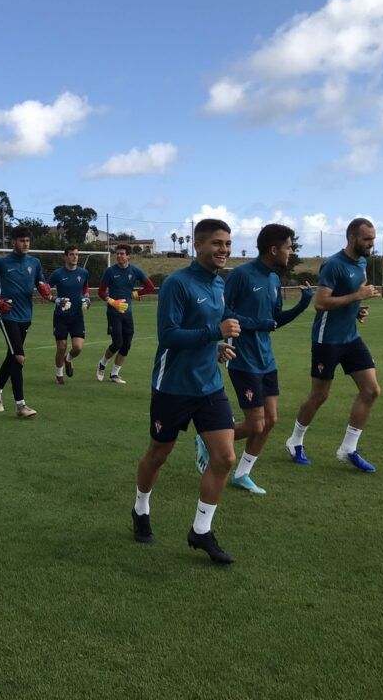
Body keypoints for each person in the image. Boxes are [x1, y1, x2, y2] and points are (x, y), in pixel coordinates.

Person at [132, 218, 242, 564]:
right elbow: (169, 335)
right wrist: (214, 333)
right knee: (158, 454)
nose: (223, 249)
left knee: (225, 457)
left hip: (208, 384)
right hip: (173, 387)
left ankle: (201, 531)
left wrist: (216, 347)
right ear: (198, 246)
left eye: (227, 243)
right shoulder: (177, 284)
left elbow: (208, 332)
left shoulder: (219, 285)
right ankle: (141, 507)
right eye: (216, 243)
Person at [195, 224, 312, 494]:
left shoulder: (273, 279)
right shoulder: (242, 275)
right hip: (242, 358)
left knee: (270, 420)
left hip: (266, 359)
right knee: (255, 423)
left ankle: (243, 473)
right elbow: (224, 311)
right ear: (274, 249)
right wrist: (257, 324)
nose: (291, 252)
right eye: (288, 247)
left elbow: (273, 322)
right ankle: (207, 439)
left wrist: (302, 305)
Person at [284, 218, 382, 472]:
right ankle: (295, 441)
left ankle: (348, 449)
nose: (371, 244)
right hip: (326, 340)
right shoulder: (334, 265)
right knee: (320, 395)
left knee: (371, 390)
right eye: (367, 239)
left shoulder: (362, 263)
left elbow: (350, 297)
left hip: (350, 337)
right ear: (351, 238)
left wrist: (357, 309)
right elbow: (321, 303)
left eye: (373, 239)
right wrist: (357, 296)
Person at [0, 226, 53, 417]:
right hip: (8, 316)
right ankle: (21, 405)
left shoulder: (34, 262)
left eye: (28, 240)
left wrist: (46, 290)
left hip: (26, 316)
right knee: (19, 357)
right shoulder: (1, 263)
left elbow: (40, 282)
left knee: (11, 357)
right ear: (13, 242)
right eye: (22, 240)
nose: (25, 244)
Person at [98, 244, 154, 383]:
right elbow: (101, 292)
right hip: (113, 312)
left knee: (127, 344)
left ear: (128, 256)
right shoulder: (110, 272)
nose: (119, 256)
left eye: (122, 253)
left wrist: (135, 294)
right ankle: (102, 363)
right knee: (117, 343)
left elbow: (150, 287)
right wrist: (112, 302)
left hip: (127, 312)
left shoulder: (134, 270)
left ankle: (114, 374)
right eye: (117, 253)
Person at [46, 246, 91, 384]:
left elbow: (85, 288)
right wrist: (56, 300)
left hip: (77, 316)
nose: (75, 257)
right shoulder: (57, 274)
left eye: (77, 254)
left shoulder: (83, 273)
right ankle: (59, 375)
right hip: (61, 316)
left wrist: (87, 298)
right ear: (65, 257)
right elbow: (45, 290)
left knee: (78, 347)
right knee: (62, 347)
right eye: (72, 254)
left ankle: (68, 359)